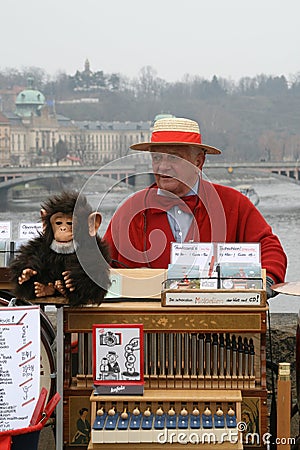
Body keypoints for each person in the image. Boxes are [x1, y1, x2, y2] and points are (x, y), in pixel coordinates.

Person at [104, 117, 287, 296]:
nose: (163, 167)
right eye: (157, 158)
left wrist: (267, 281)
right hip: (150, 321)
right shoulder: (131, 211)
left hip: (218, 320)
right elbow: (102, 264)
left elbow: (271, 250)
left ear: (198, 162)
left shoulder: (233, 204)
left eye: (174, 158)